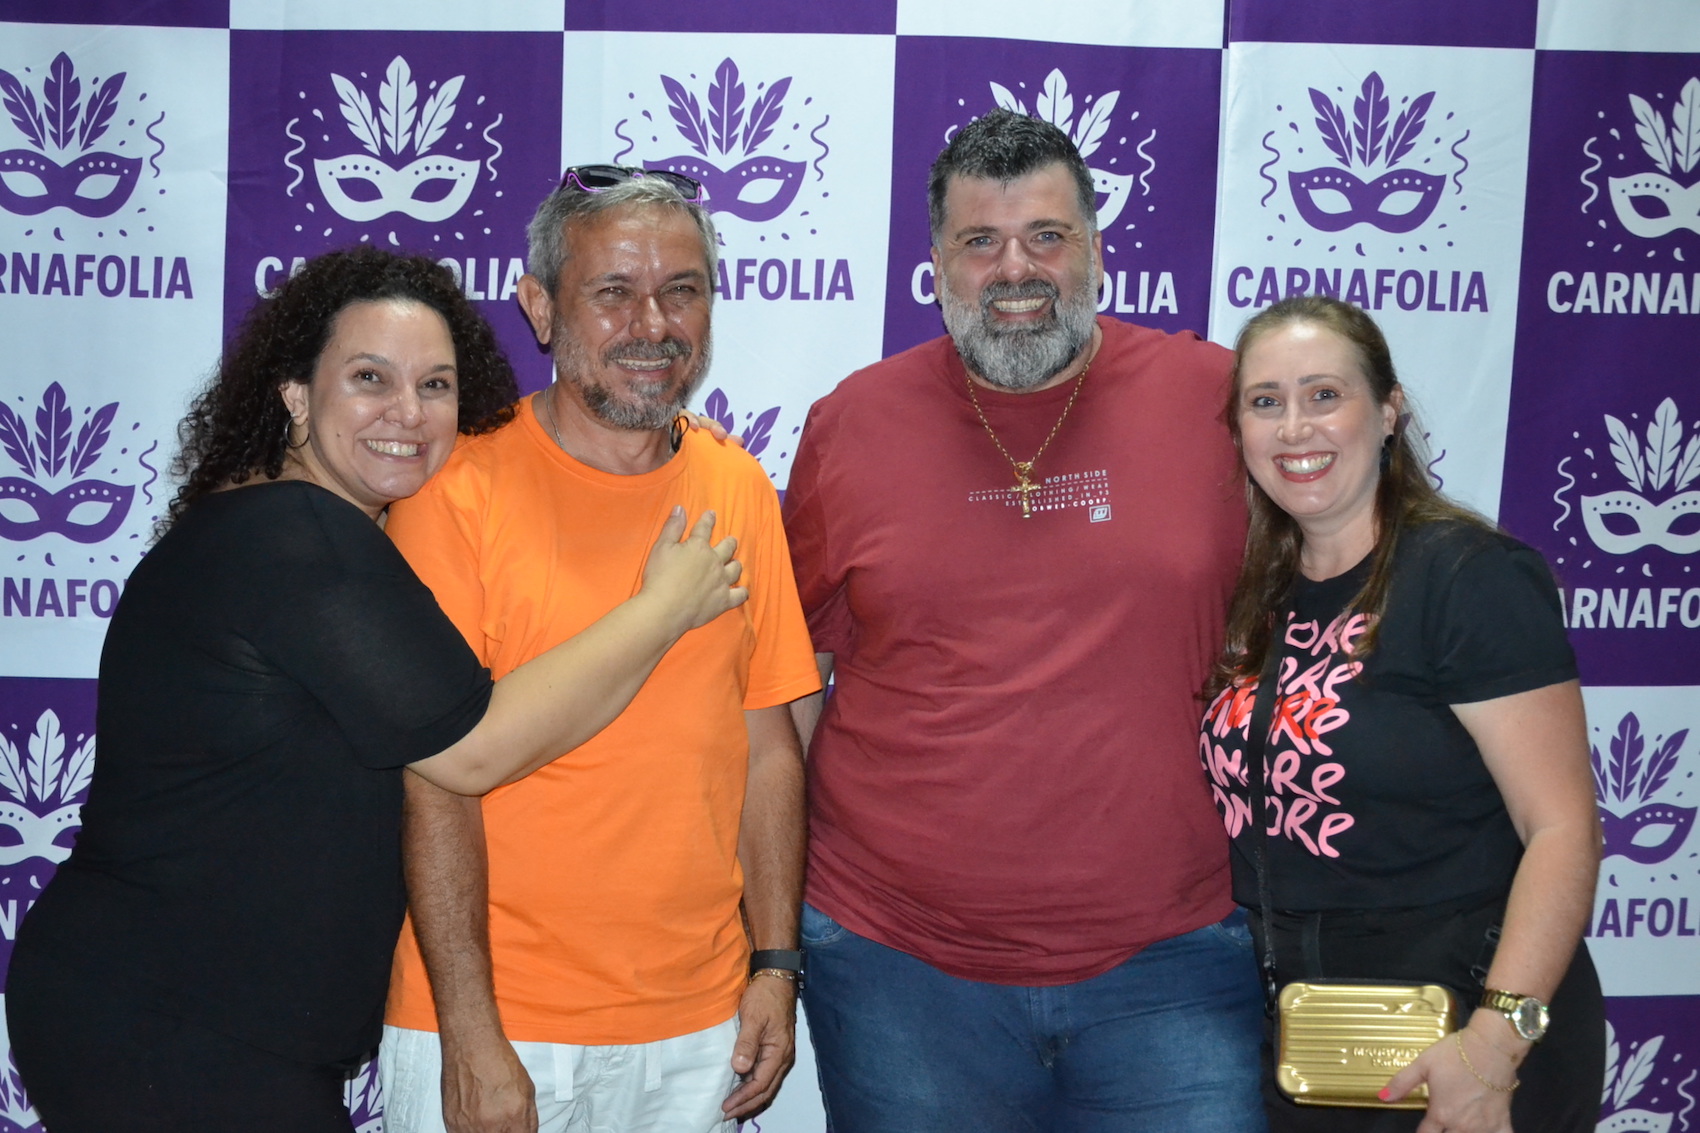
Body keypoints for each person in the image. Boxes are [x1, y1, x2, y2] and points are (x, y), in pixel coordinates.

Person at [3, 247, 746, 1132]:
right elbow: (473, 747)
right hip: (170, 1022)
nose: (408, 412)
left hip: (196, 1018)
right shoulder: (299, 538)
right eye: (369, 378)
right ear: (294, 394)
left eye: (436, 385)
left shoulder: (294, 525)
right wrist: (664, 606)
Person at [782, 109, 1265, 1131]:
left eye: (1046, 235)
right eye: (979, 241)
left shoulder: (1219, 401)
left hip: (1173, 953)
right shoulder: (850, 424)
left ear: (1095, 248)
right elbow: (788, 683)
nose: (1015, 269)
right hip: (895, 961)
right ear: (935, 267)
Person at [377, 168, 820, 1133]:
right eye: (613, 291)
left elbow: (768, 748)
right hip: (505, 1028)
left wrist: (776, 964)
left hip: (703, 1032)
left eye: (682, 290)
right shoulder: (454, 494)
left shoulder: (739, 486)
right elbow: (433, 781)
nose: (652, 324)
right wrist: (470, 1032)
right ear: (540, 307)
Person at [1199, 295, 1604, 1132]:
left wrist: (1496, 1043)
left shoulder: (1468, 576)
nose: (1294, 427)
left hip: (1467, 1037)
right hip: (1310, 1042)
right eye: (1265, 401)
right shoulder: (1258, 595)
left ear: (1388, 411)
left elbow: (1563, 828)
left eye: (1325, 394)